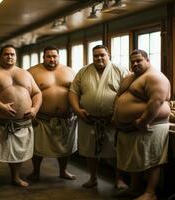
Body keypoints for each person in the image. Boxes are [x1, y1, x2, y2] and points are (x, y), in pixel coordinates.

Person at [0, 44, 42, 188]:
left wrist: (34, 109)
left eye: (12, 54)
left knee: (18, 153)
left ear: (16, 56)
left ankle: (16, 177)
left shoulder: (25, 73)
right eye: (6, 54)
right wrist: (1, 106)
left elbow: (37, 93)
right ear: (0, 56)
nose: (9, 56)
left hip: (21, 123)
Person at [113, 49, 170, 200]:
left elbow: (156, 102)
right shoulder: (131, 77)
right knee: (136, 159)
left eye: (139, 60)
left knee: (152, 159)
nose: (135, 64)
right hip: (132, 127)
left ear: (148, 60)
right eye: (133, 62)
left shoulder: (155, 77)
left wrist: (143, 120)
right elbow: (119, 97)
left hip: (150, 126)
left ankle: (150, 193)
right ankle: (134, 189)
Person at [69, 45, 128, 189]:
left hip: (112, 119)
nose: (99, 58)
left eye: (102, 55)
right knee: (90, 151)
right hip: (88, 118)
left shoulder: (120, 70)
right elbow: (73, 92)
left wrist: (118, 114)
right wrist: (77, 110)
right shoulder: (84, 71)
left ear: (109, 55)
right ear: (92, 57)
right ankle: (93, 178)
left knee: (116, 151)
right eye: (96, 56)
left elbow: (128, 93)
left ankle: (119, 179)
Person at [27, 46, 77, 181]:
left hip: (66, 118)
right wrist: (31, 111)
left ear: (58, 57)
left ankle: (63, 171)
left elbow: (78, 92)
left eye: (54, 56)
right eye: (48, 56)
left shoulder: (70, 71)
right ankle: (36, 171)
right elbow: (26, 93)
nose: (52, 59)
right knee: (37, 147)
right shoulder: (32, 72)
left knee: (65, 147)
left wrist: (77, 110)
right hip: (42, 117)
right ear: (43, 57)